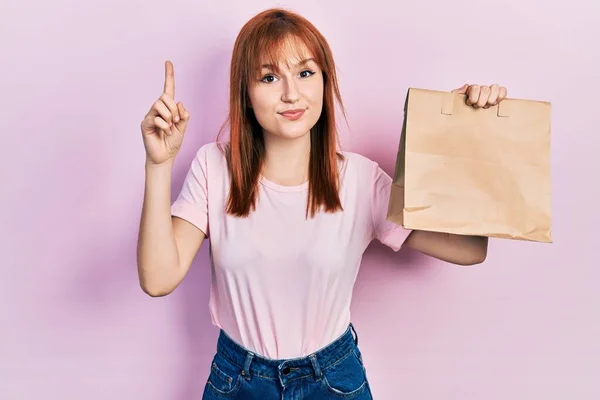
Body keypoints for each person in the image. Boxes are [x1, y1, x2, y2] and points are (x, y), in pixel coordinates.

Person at [136, 7, 508, 400]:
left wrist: (465, 132)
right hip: (238, 381)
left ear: (325, 82)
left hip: (332, 381)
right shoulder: (214, 167)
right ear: (246, 92)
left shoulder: (360, 180)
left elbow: (469, 249)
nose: (291, 93)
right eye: (268, 77)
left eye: (305, 72)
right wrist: (158, 164)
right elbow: (158, 279)